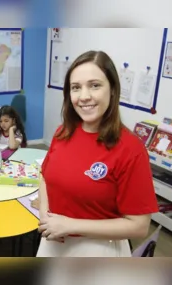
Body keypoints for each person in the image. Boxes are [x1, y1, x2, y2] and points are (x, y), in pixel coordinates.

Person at [37, 50, 158, 257]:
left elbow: (138, 226)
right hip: (53, 241)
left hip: (99, 249)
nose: (84, 96)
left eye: (95, 85)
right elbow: (44, 175)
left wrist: (70, 225)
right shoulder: (63, 132)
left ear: (112, 90)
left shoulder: (130, 149)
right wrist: (46, 217)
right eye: (76, 88)